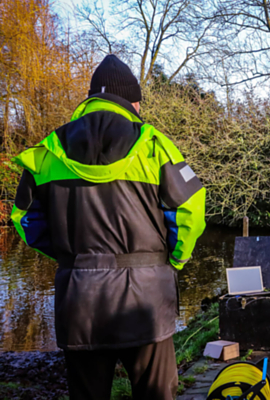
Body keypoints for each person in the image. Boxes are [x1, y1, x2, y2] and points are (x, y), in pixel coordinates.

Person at [10, 55, 207, 399]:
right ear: (133, 103)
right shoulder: (155, 146)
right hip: (147, 300)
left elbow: (26, 221)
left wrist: (71, 259)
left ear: (90, 99)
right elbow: (192, 211)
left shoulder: (47, 151)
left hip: (80, 299)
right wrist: (171, 261)